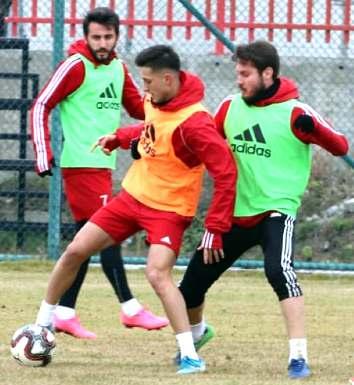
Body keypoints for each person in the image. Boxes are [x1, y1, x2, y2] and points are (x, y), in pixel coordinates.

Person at [34, 44, 237, 374]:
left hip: (169, 210)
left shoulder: (196, 124)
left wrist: (215, 225)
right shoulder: (157, 99)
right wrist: (120, 136)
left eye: (148, 82)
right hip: (131, 198)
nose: (143, 90)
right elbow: (150, 130)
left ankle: (190, 354)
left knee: (157, 274)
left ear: (168, 79)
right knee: (74, 251)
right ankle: (42, 325)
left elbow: (226, 172)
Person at [178, 40, 349, 379]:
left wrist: (313, 131)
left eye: (245, 74)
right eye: (237, 73)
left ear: (268, 73)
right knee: (190, 287)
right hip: (235, 213)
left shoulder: (296, 112)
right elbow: (206, 147)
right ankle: (197, 335)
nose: (238, 80)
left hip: (276, 210)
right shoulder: (229, 108)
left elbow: (340, 144)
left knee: (278, 271)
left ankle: (298, 357)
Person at [30, 7, 169, 339]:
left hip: (103, 167)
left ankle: (63, 312)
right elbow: (41, 104)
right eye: (97, 37)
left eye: (108, 37)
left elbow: (140, 108)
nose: (103, 43)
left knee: (84, 243)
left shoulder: (119, 68)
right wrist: (43, 152)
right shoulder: (75, 66)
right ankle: (130, 308)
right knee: (108, 235)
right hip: (81, 165)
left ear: (117, 36)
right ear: (86, 36)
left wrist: (170, 104)